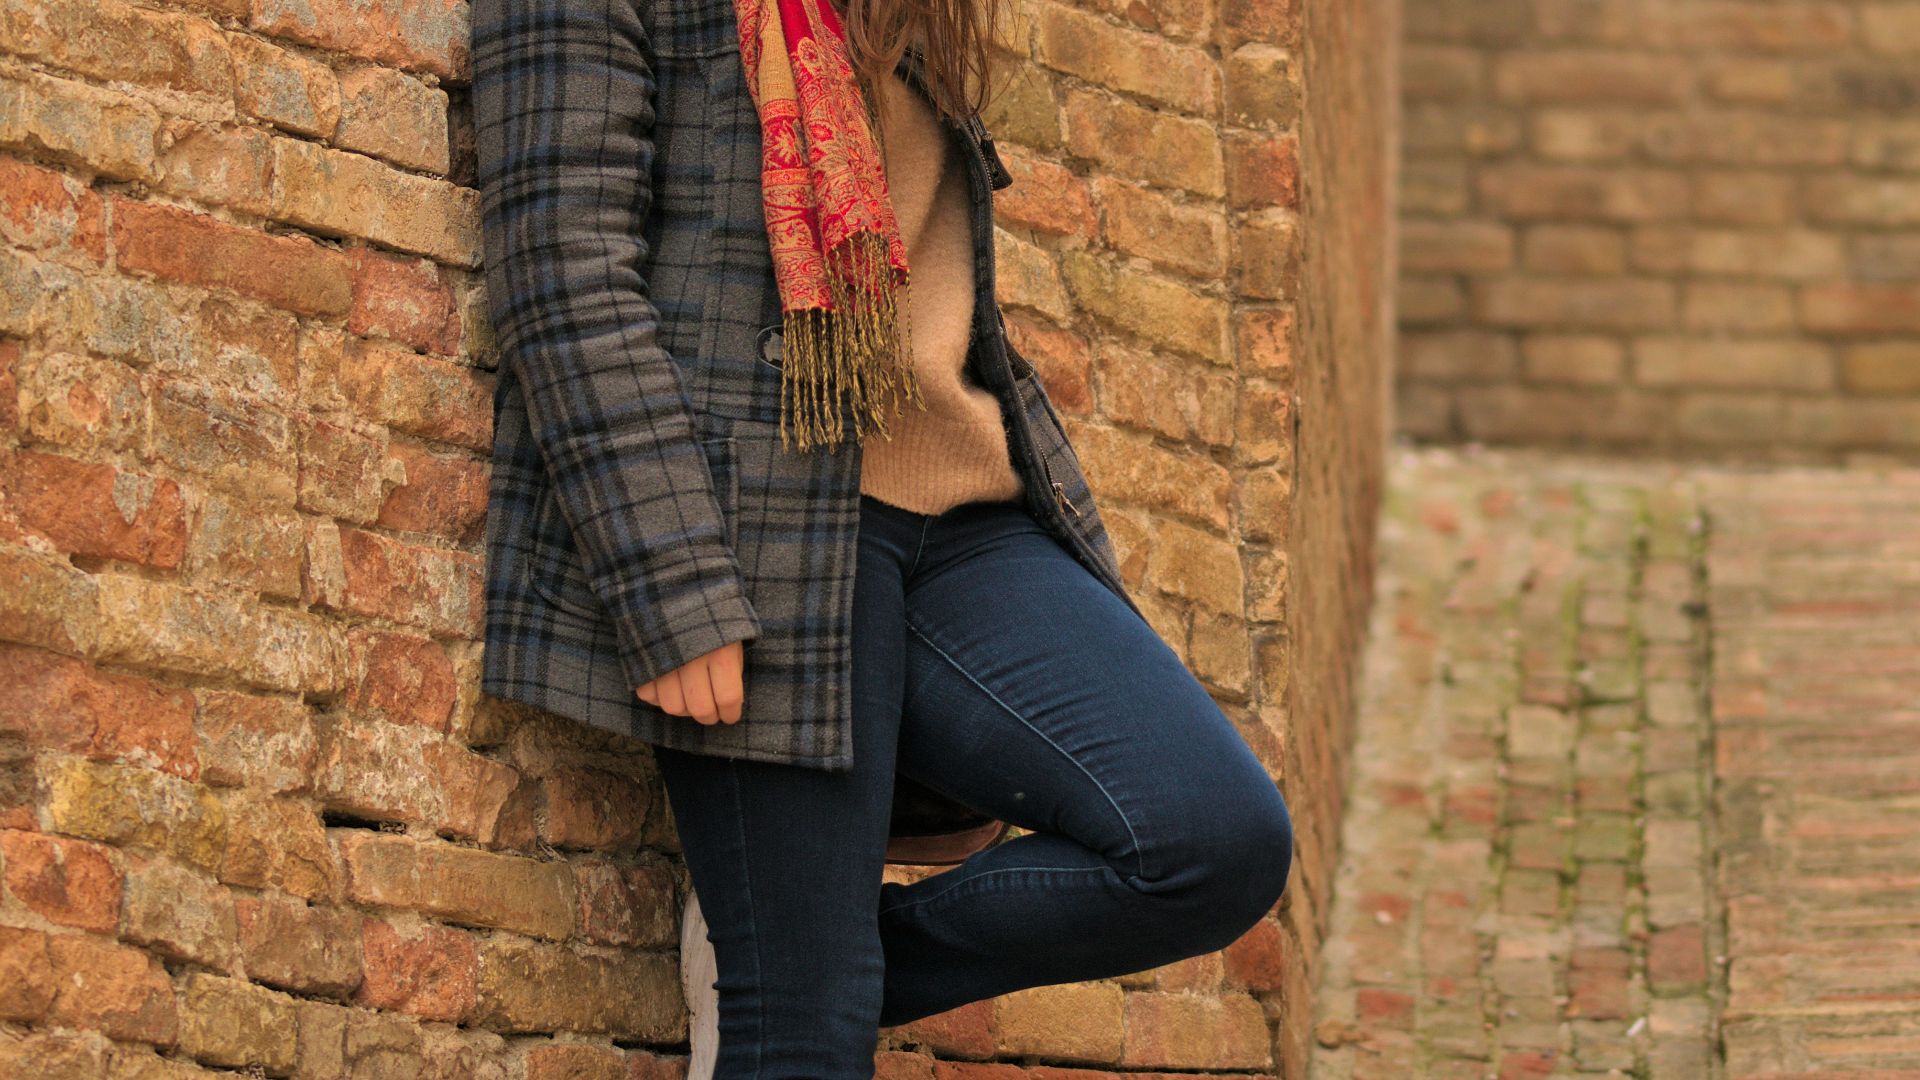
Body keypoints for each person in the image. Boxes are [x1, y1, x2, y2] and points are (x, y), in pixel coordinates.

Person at [469, 0, 1296, 1073]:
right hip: (761, 529)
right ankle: (794, 984)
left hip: (965, 519)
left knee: (1213, 842)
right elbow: (561, 267)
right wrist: (670, 582)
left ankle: (794, 969)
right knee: (804, 1036)